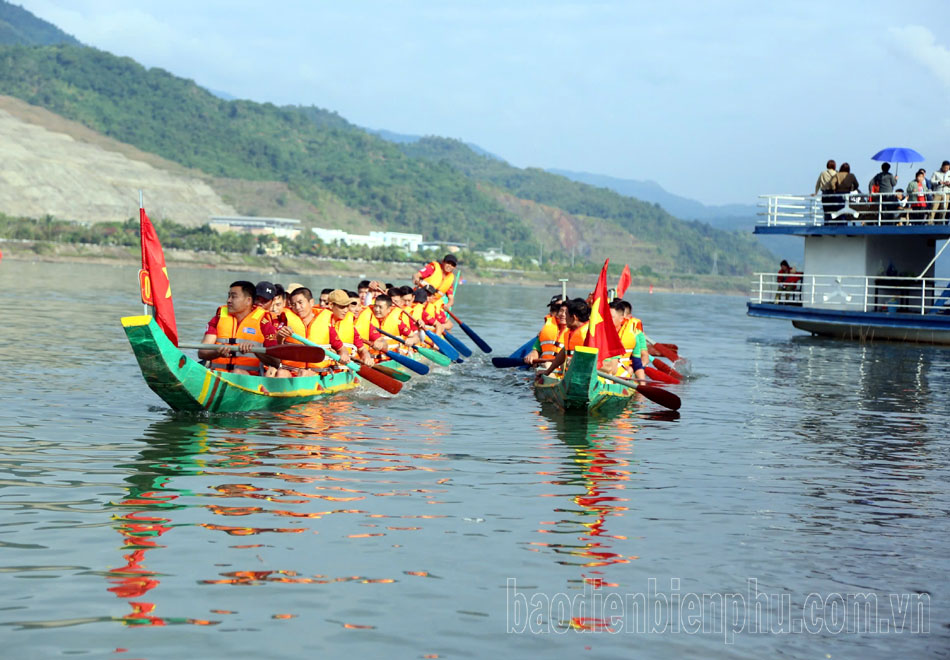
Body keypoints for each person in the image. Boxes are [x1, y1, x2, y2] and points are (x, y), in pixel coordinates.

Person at [198, 280, 279, 375]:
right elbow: (202, 352)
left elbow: (276, 362)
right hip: (217, 374)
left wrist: (256, 350)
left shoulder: (264, 322)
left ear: (248, 300)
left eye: (234, 297)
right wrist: (217, 352)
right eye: (229, 296)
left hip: (248, 377)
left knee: (237, 372)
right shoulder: (218, 318)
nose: (228, 300)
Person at [539, 298, 591, 378]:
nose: (564, 317)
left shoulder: (589, 334)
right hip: (570, 376)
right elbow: (563, 352)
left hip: (584, 378)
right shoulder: (570, 332)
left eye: (566, 315)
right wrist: (548, 371)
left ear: (573, 318)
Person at [609, 300, 646, 381]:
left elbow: (638, 362)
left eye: (611, 317)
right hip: (606, 372)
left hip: (623, 374)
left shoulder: (634, 334)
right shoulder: (597, 332)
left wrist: (642, 384)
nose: (607, 320)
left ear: (622, 318)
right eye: (605, 316)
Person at [523, 296, 567, 365]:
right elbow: (537, 348)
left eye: (559, 308)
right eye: (553, 308)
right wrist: (534, 353)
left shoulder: (575, 329)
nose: (556, 311)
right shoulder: (547, 327)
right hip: (546, 367)